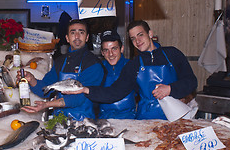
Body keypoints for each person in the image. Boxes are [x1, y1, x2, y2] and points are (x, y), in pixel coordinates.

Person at [65, 20, 198, 120]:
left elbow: (191, 81)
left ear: (150, 34)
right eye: (133, 38)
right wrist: (85, 89)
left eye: (140, 35)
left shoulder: (172, 54)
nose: (137, 41)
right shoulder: (134, 65)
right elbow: (114, 92)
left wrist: (170, 88)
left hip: (175, 117)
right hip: (146, 118)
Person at [18, 19, 106, 121]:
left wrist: (47, 104)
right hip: (59, 120)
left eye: (81, 32)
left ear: (87, 37)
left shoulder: (93, 63)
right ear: (67, 38)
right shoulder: (60, 61)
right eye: (73, 33)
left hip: (84, 122)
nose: (77, 36)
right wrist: (32, 80)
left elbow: (79, 97)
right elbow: (45, 89)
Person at [98, 30, 136, 119]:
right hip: (104, 120)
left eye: (114, 49)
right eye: (106, 50)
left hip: (129, 119)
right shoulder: (98, 69)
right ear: (102, 53)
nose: (110, 54)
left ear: (121, 49)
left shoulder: (132, 66)